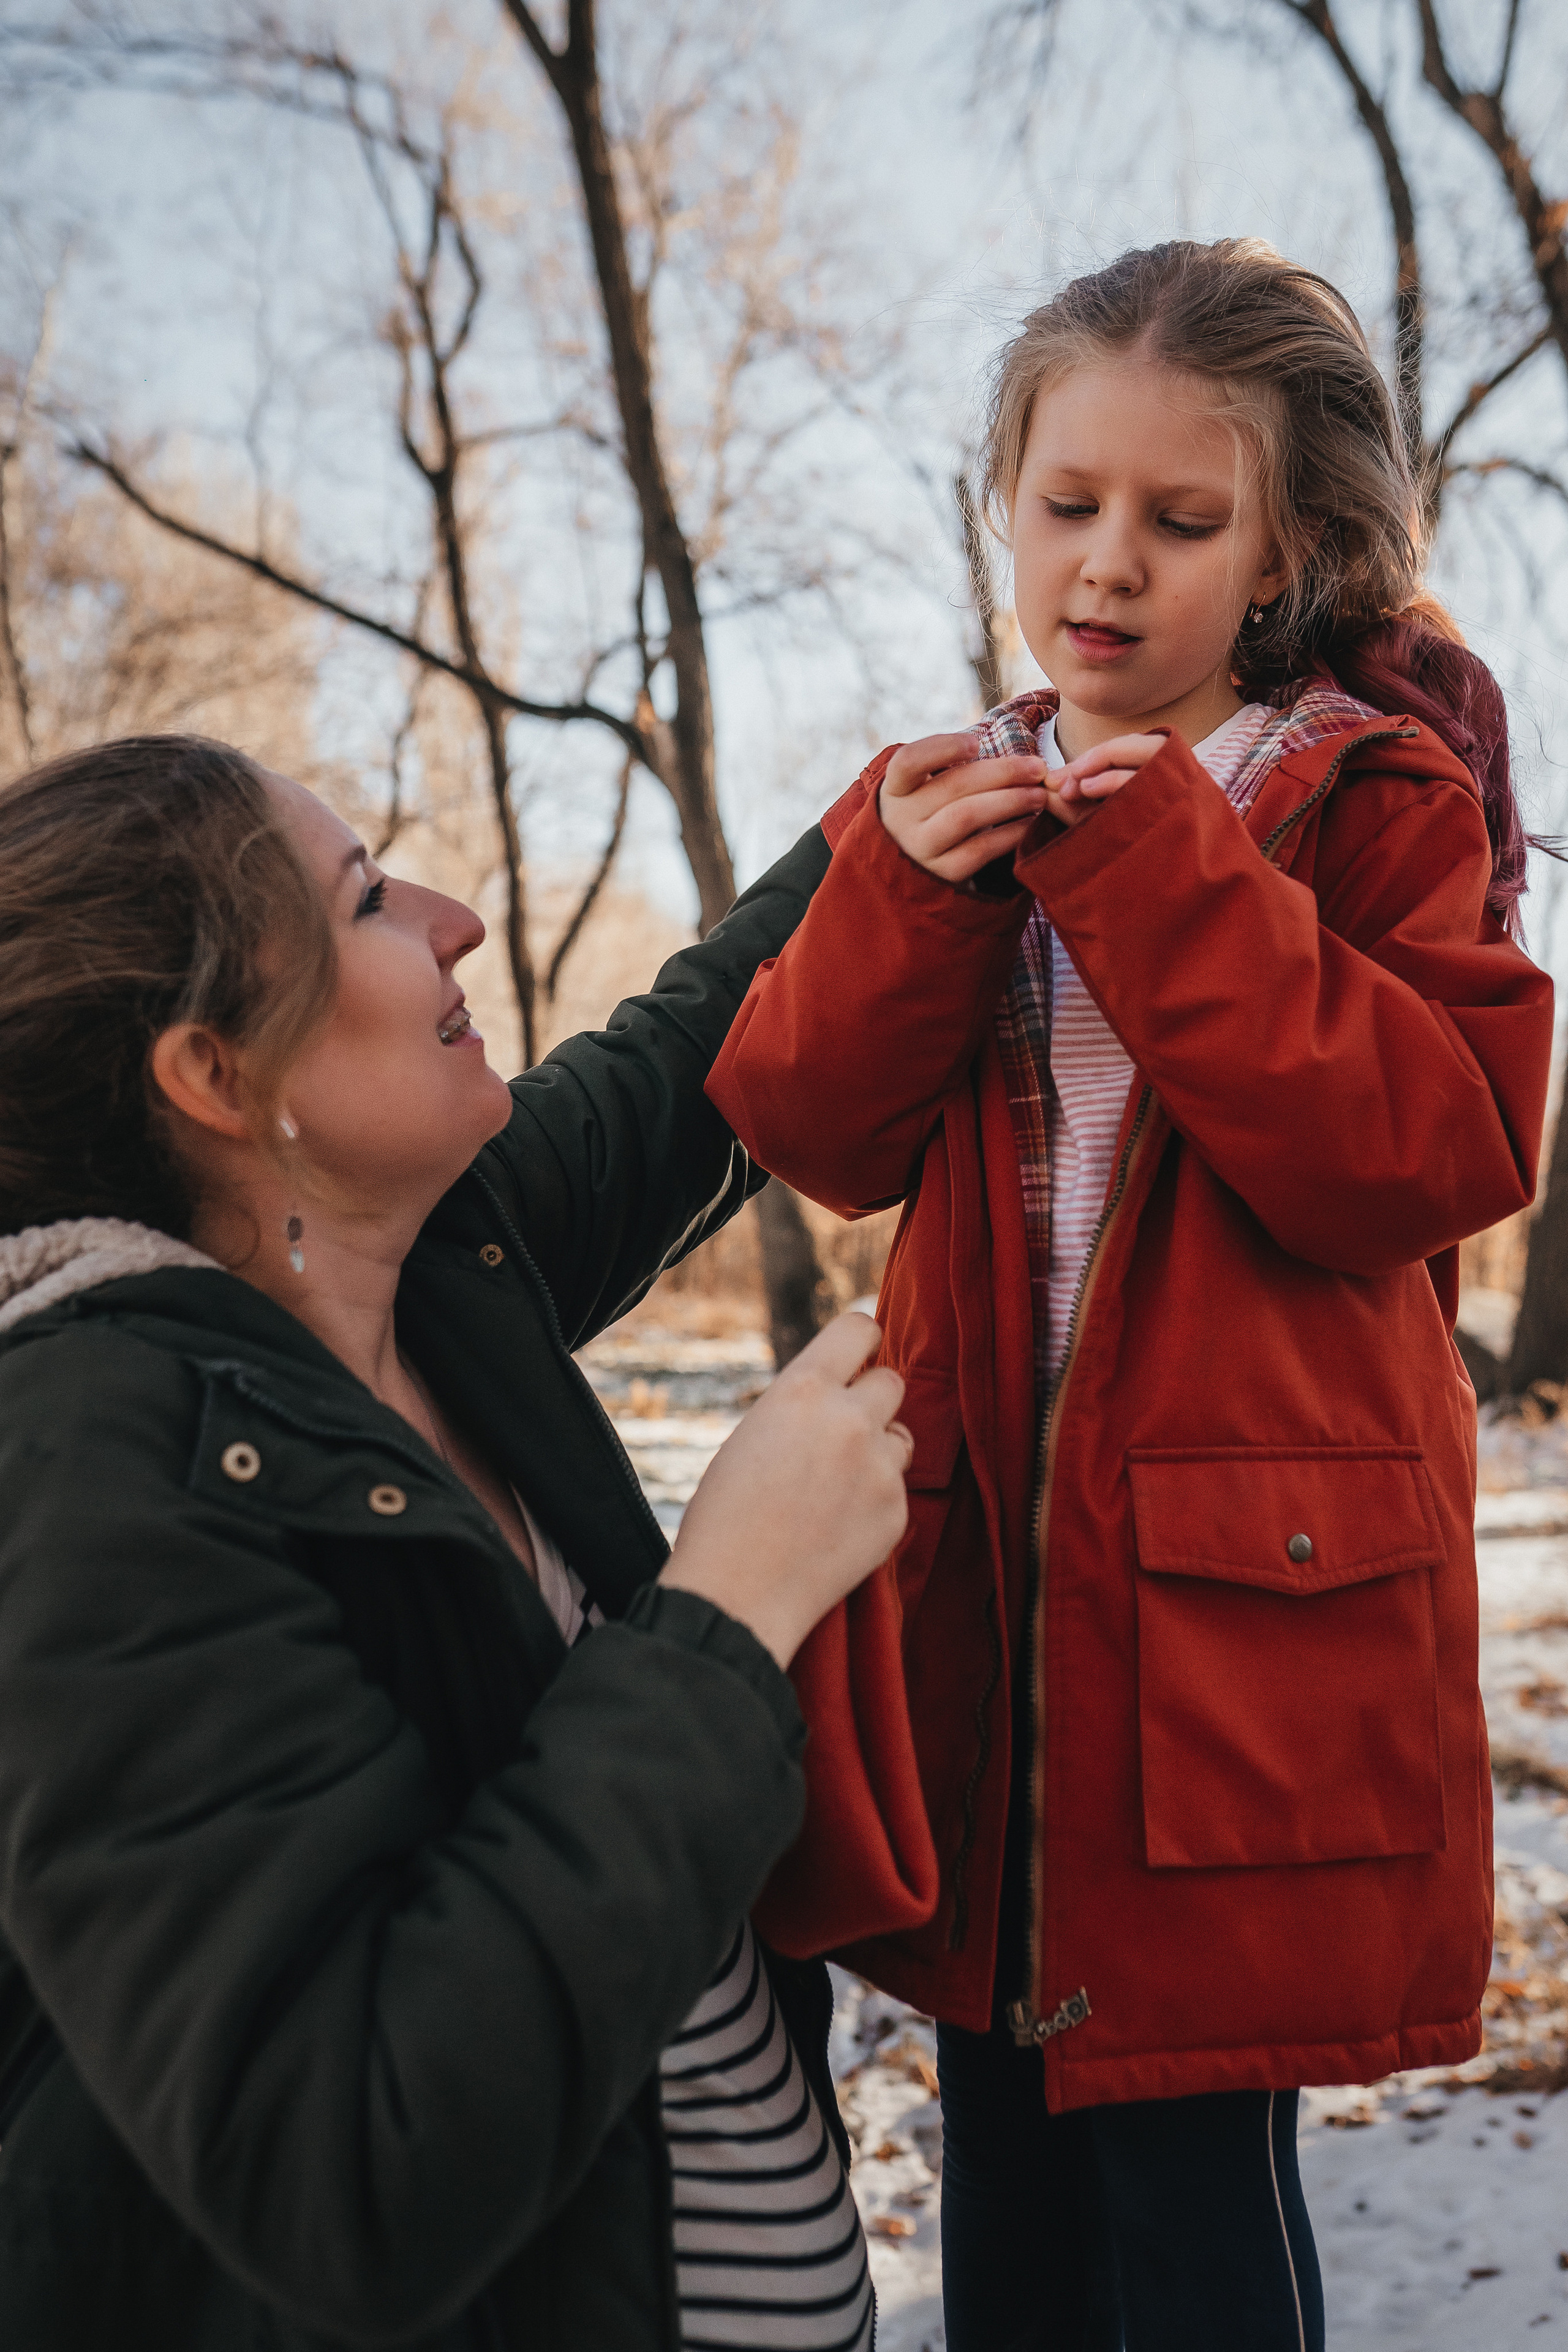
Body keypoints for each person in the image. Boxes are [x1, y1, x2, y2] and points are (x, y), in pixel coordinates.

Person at [706, 237, 1556, 2350]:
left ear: (1282, 552)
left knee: (1186, 2169)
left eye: (1182, 523)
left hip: (1238, 1614)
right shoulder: (941, 792)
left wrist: (1167, 867)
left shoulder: (1360, 797)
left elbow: (1429, 1153)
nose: (1109, 565)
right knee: (994, 2124)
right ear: (1002, 498)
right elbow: (809, 1122)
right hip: (983, 1574)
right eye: (1066, 503)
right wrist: (902, 895)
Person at [0, 733, 911, 2352]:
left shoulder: (420, 1267)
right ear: (220, 1079)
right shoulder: (95, 1474)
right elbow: (349, 2164)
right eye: (364, 903)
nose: (454, 918)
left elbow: (689, 1057)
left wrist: (895, 822)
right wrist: (725, 1619)